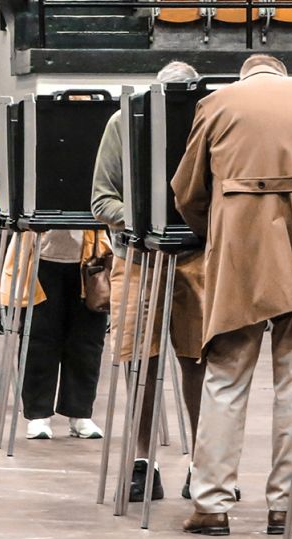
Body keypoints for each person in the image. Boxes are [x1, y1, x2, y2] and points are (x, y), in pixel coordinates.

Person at [171, 54, 292, 537]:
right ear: (281, 70)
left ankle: (211, 503)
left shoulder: (217, 102)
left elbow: (187, 192)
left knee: (225, 377)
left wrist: (218, 229)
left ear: (247, 74)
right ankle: (283, 506)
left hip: (242, 252)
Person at [91, 60, 210, 502]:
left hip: (197, 258)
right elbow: (101, 198)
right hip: (137, 257)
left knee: (197, 360)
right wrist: (144, 219)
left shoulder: (210, 119)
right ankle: (145, 461)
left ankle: (202, 463)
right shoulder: (124, 121)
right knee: (139, 360)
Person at [10, 228, 108, 440]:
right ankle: (38, 414)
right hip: (40, 255)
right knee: (39, 339)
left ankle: (80, 412)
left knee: (87, 341)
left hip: (91, 257)